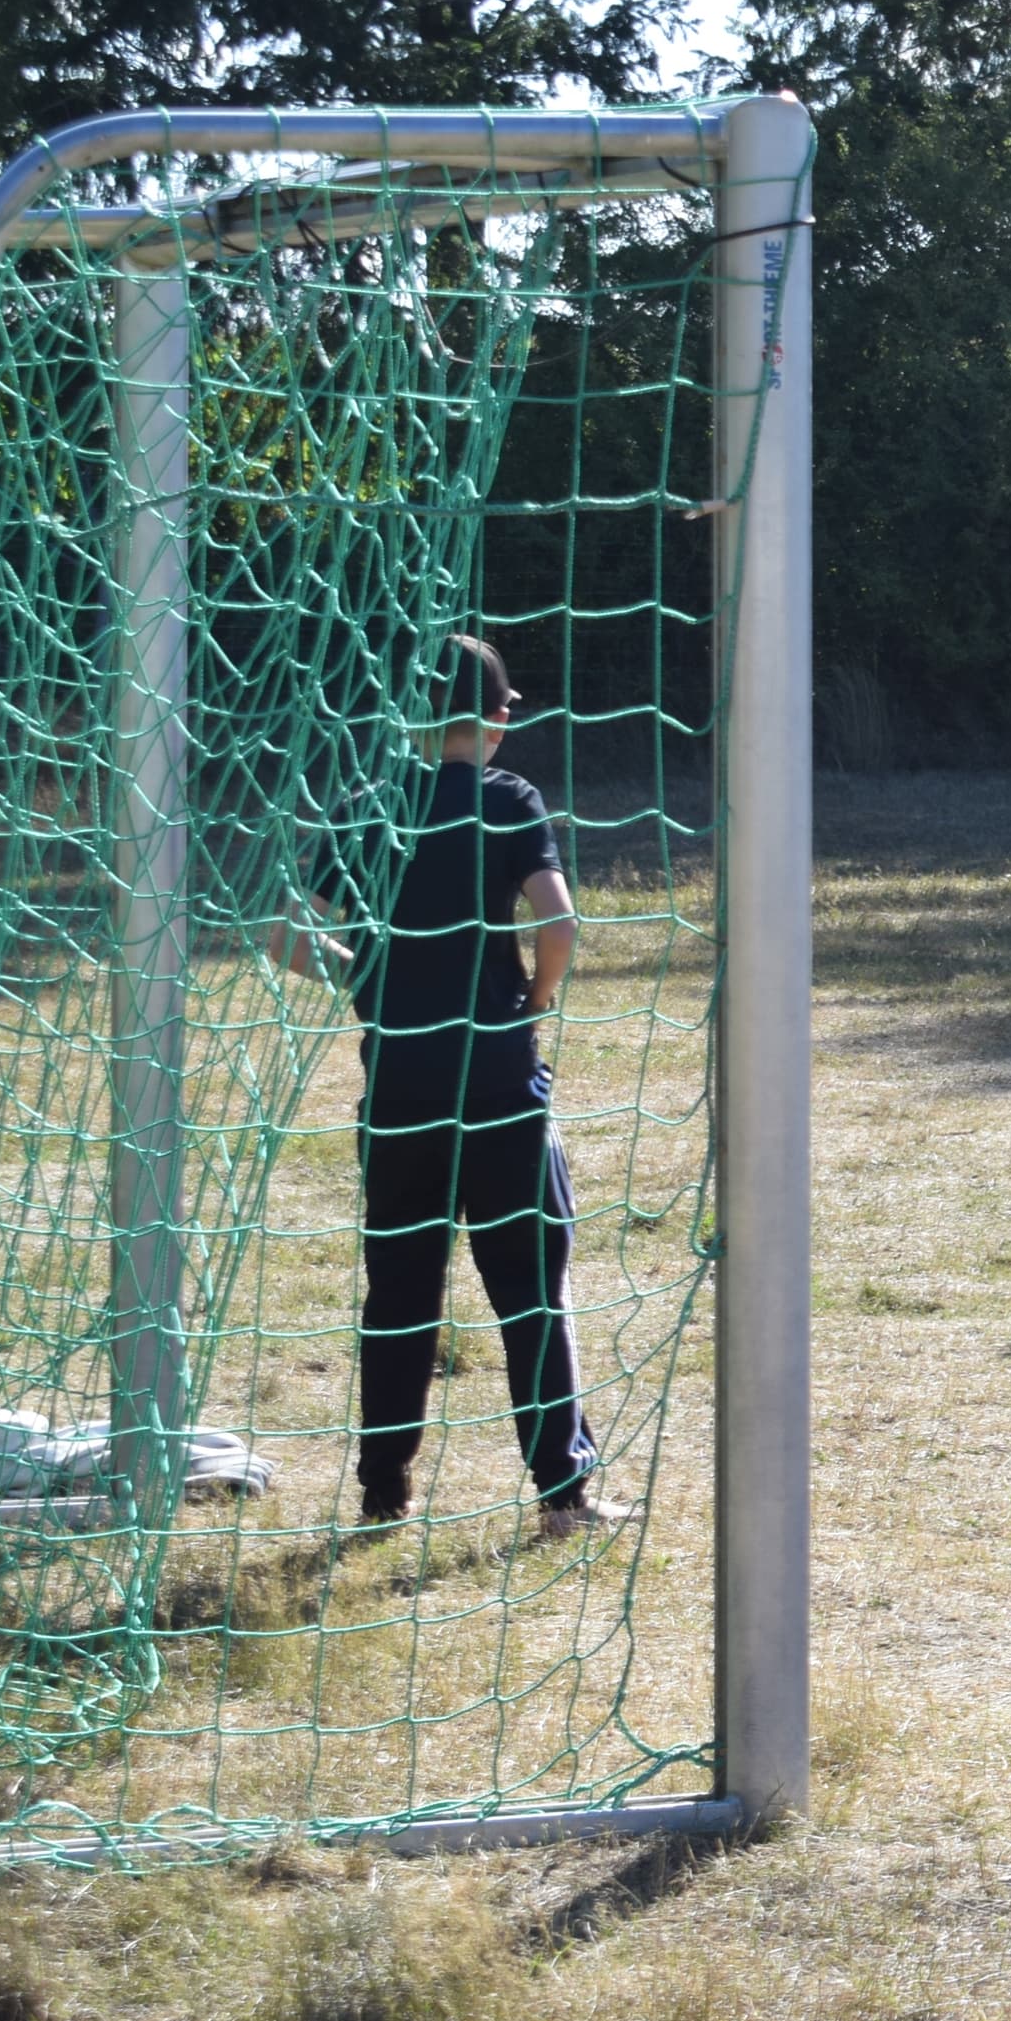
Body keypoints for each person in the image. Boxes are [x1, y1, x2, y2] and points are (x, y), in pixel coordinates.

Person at [283, 634, 623, 1540]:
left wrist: (367, 984)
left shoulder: (369, 805)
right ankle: (564, 1497)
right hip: (498, 1081)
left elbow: (285, 934)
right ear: (501, 720)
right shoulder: (508, 798)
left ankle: (383, 1495)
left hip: (399, 1085)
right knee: (529, 1292)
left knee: (398, 1294)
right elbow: (559, 921)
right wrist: (534, 1002)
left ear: (407, 716)